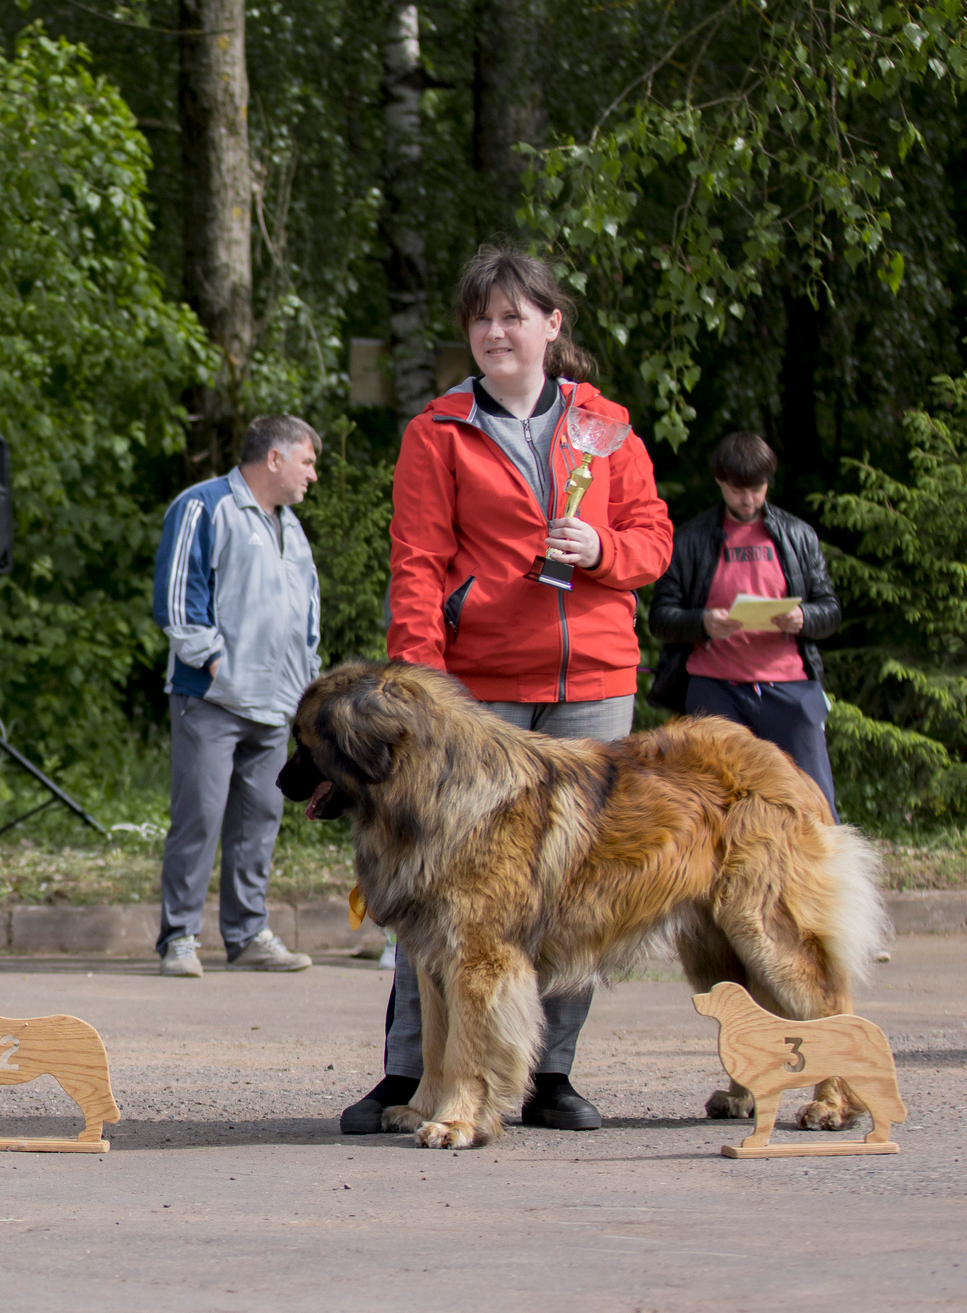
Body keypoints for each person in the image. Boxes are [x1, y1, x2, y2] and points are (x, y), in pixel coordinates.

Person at [340, 246, 673, 1136]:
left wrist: (602, 550)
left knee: (573, 886)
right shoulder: (437, 431)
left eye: (512, 316)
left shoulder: (607, 426)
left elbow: (654, 539)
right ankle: (410, 1069)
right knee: (439, 884)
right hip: (476, 694)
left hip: (593, 681)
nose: (495, 332)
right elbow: (416, 565)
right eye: (481, 319)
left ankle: (546, 1073)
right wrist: (419, 690)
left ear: (551, 325)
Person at [149, 415, 323, 978]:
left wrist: (308, 680)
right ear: (274, 458)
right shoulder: (203, 506)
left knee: (260, 819)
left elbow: (308, 610)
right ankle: (179, 937)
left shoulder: (291, 526)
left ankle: (247, 935)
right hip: (213, 698)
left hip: (277, 703)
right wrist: (210, 658)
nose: (312, 475)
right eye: (307, 462)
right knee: (199, 816)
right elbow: (178, 592)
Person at [647, 432, 840, 808]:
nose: (748, 499)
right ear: (720, 482)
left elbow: (830, 610)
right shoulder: (690, 539)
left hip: (790, 687)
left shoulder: (798, 535)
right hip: (715, 688)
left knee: (812, 799)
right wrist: (703, 623)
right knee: (711, 802)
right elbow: (661, 619)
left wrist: (803, 617)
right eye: (738, 490)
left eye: (757, 489)